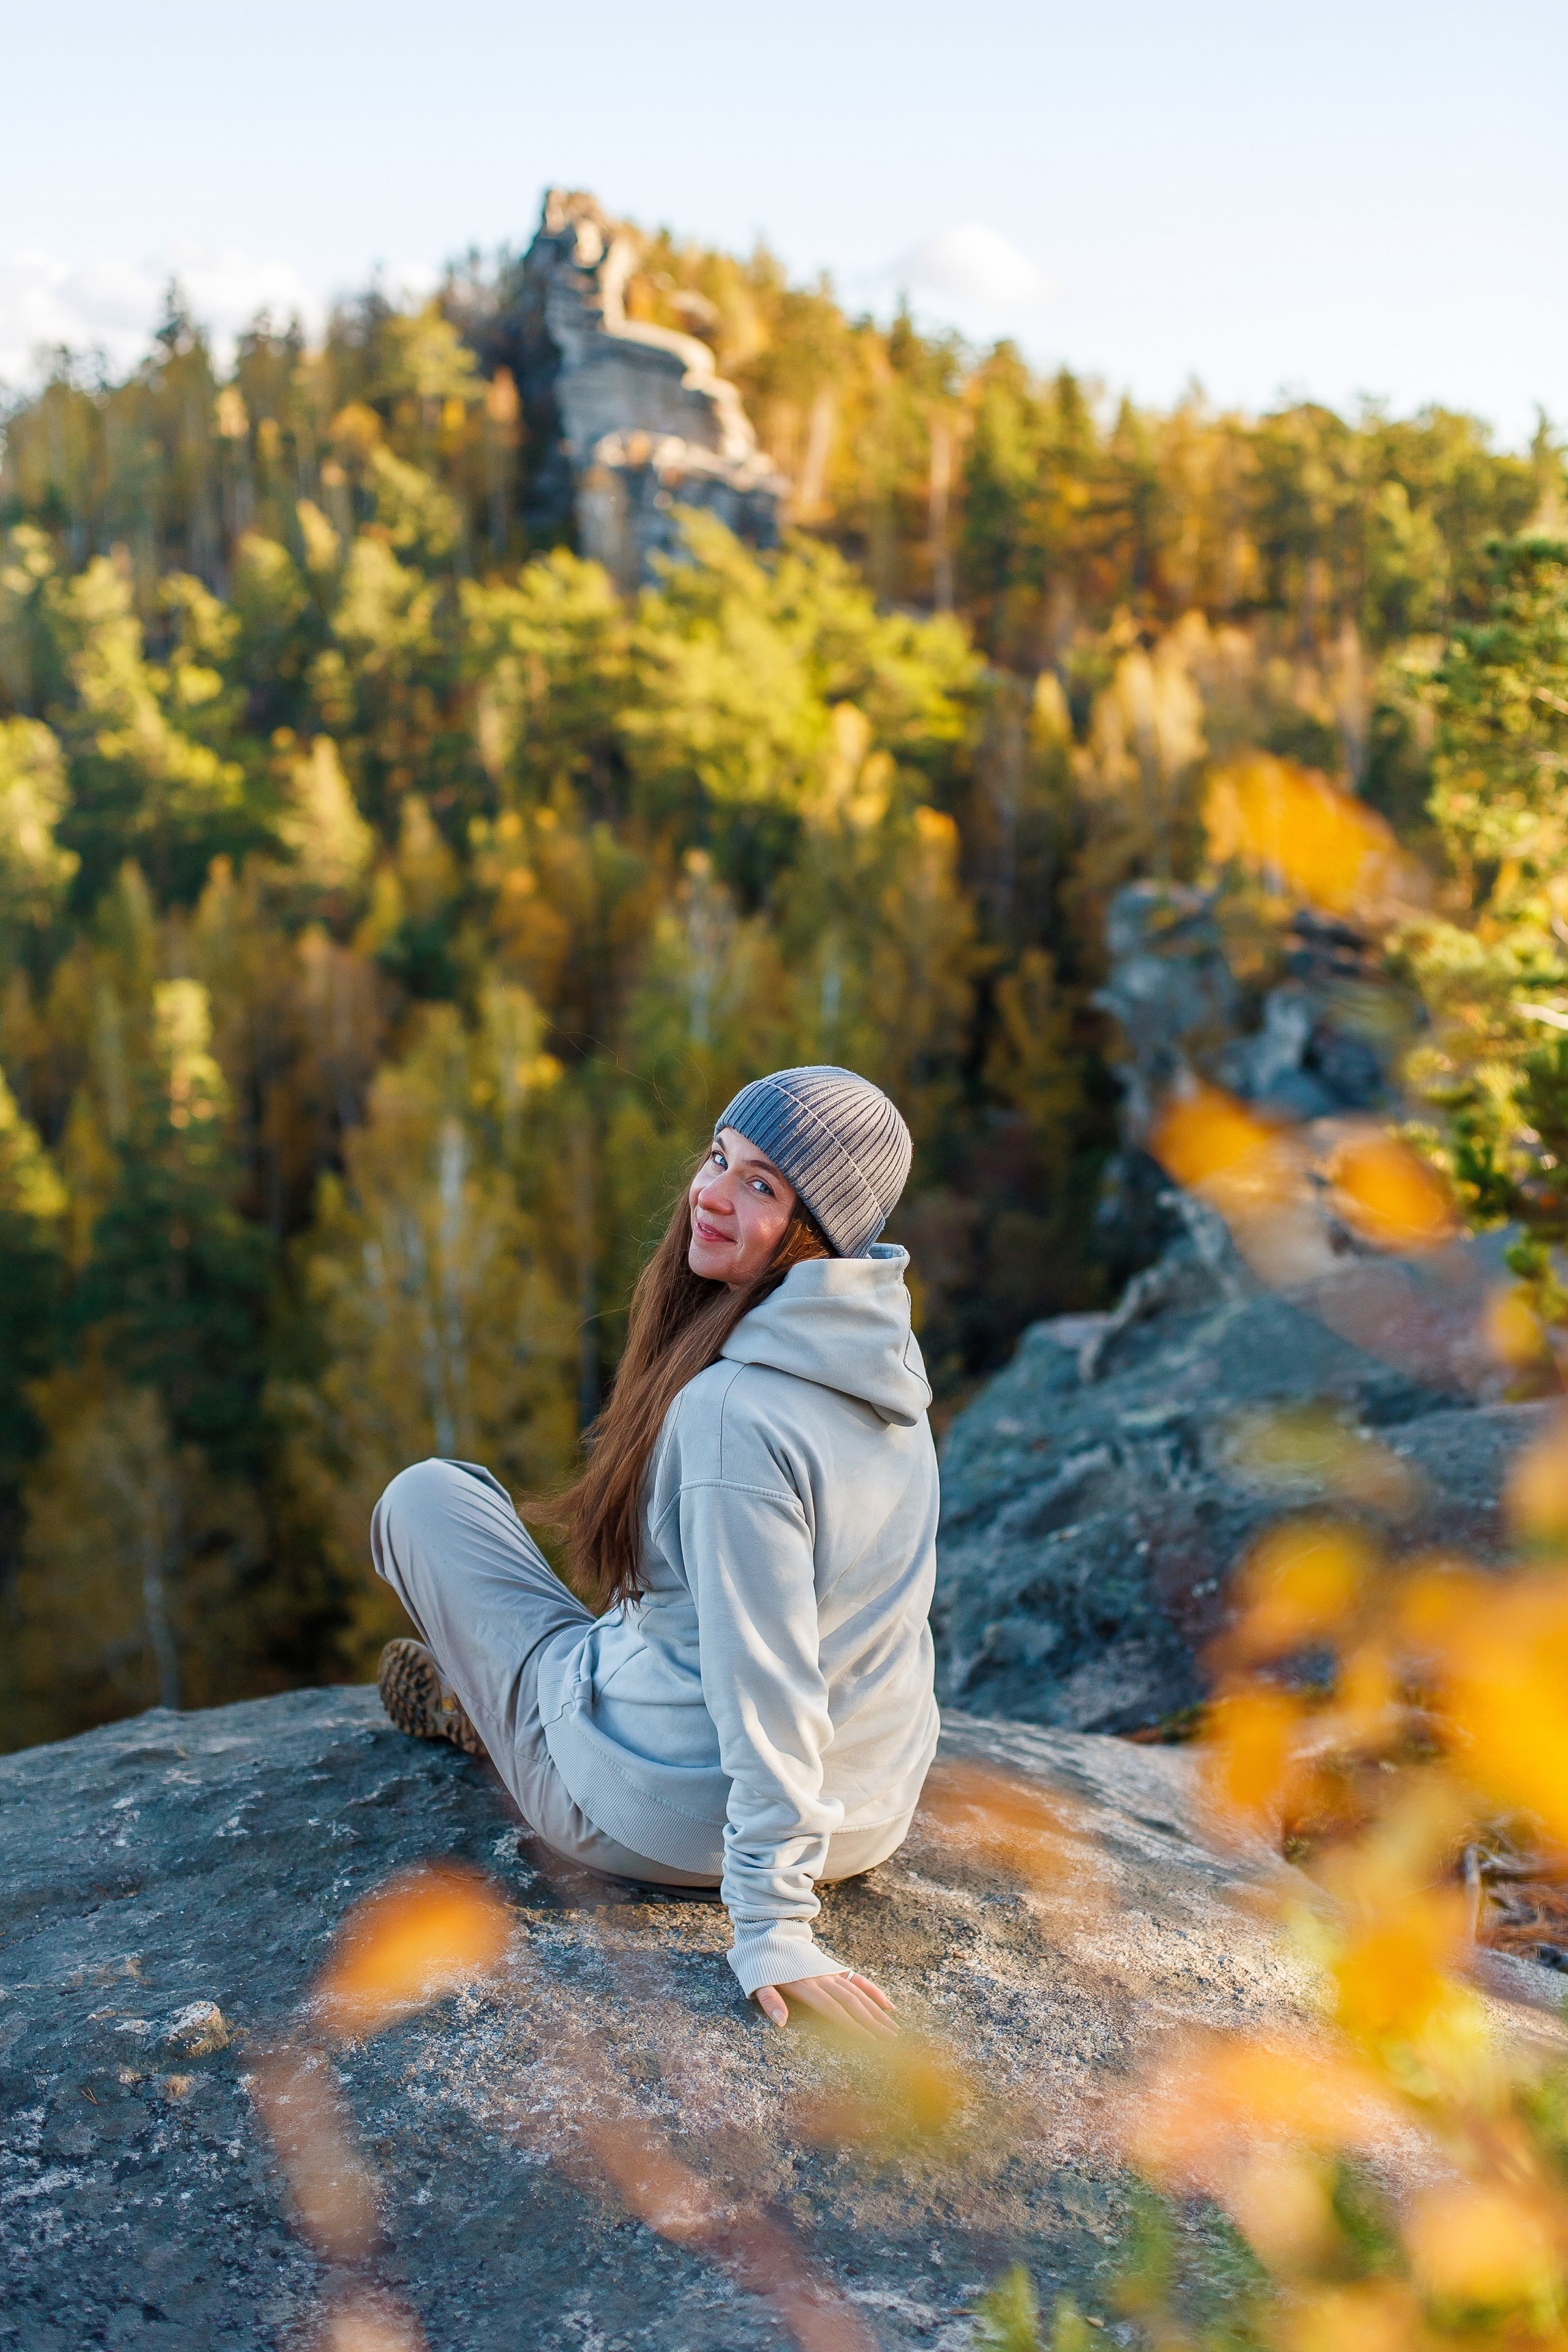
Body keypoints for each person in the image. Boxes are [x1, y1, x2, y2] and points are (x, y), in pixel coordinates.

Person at [371, 1065, 940, 2040]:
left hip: (666, 1821)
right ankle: (522, 1700)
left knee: (428, 1498)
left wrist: (773, 1927)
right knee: (646, 1619)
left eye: (762, 1185)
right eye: (720, 1157)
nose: (710, 1194)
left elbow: (769, 1683)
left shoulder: (730, 1415)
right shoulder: (885, 1358)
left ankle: (503, 1722)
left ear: (820, 1230)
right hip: (869, 1812)